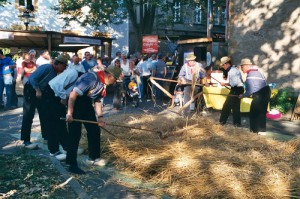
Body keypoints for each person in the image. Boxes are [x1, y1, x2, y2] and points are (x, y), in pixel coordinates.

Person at [65, 65, 122, 174]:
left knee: (94, 130)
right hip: (75, 103)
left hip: (86, 104)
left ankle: (94, 158)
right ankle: (71, 163)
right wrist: (69, 114)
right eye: (115, 79)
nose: (115, 82)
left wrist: (100, 118)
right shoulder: (91, 79)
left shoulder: (103, 83)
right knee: (74, 134)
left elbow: (97, 101)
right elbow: (72, 95)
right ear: (109, 76)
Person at [20, 55, 68, 151]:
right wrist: (37, 90)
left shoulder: (55, 73)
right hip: (31, 89)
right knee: (28, 115)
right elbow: (33, 78)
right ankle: (26, 140)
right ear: (58, 64)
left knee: (45, 114)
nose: (65, 68)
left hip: (41, 92)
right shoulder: (47, 67)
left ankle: (46, 137)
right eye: (64, 66)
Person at [239, 58, 271, 135]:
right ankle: (262, 131)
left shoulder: (251, 75)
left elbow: (250, 90)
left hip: (260, 93)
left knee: (254, 112)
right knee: (261, 112)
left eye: (242, 67)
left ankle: (254, 131)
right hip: (265, 91)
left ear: (246, 66)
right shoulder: (256, 71)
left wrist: (242, 95)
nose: (241, 68)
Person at [219, 56, 244, 126]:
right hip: (239, 88)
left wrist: (225, 83)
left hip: (236, 89)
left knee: (226, 106)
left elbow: (234, 83)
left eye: (223, 65)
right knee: (235, 107)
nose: (223, 66)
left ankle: (222, 122)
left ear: (227, 64)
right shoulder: (232, 70)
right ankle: (237, 124)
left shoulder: (232, 71)